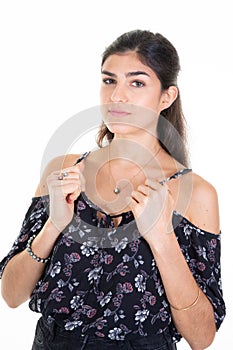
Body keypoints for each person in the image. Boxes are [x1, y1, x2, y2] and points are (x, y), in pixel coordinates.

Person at [0, 30, 225, 350]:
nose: (118, 96)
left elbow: (202, 337)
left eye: (137, 83)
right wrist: (54, 224)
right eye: (109, 81)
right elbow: (10, 295)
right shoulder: (62, 171)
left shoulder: (195, 192)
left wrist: (162, 239)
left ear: (167, 97)